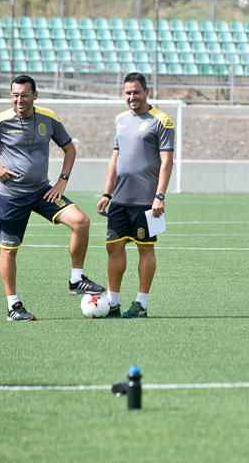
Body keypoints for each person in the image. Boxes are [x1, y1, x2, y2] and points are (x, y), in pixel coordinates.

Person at [0, 74, 105, 322]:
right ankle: (13, 307)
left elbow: (69, 148)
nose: (19, 100)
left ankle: (76, 279)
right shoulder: (0, 121)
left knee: (81, 222)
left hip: (42, 192)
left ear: (35, 96)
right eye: (15, 95)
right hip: (11, 196)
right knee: (9, 250)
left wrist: (62, 180)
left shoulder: (48, 118)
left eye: (24, 95)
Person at [97, 72, 174, 318]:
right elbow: (115, 158)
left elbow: (167, 161)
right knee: (113, 247)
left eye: (136, 92)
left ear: (146, 92)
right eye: (128, 92)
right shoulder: (120, 120)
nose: (132, 97)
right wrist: (107, 193)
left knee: (145, 249)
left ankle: (140, 303)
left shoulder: (161, 120)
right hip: (119, 199)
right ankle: (113, 302)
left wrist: (159, 196)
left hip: (146, 201)